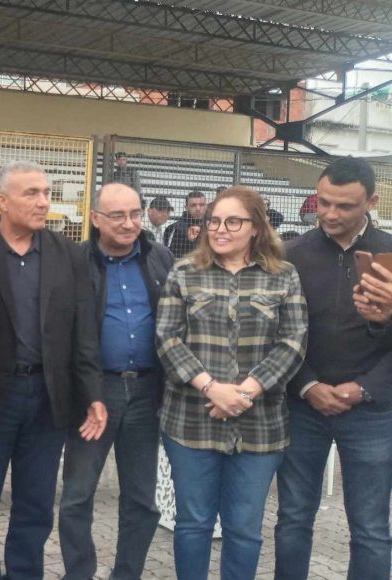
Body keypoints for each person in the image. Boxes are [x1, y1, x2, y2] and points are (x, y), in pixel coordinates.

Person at [0, 160, 106, 580]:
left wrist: (93, 394)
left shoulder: (67, 254)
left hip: (46, 398)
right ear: (2, 201)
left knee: (36, 506)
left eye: (47, 193)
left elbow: (83, 332)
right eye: (32, 193)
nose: (44, 202)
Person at [156, 186, 308, 580]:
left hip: (260, 426)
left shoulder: (283, 276)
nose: (220, 229)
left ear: (256, 227)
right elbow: (168, 338)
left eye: (233, 222)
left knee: (244, 529)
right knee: (193, 524)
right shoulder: (184, 272)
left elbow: (293, 342)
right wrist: (211, 388)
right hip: (191, 422)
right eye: (214, 221)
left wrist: (245, 392)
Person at [277, 157, 392, 580]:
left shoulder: (390, 254)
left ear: (371, 202)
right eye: (323, 202)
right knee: (292, 519)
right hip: (303, 408)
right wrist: (307, 385)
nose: (329, 213)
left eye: (344, 206)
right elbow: (276, 333)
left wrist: (365, 388)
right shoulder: (290, 256)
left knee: (371, 529)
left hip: (373, 411)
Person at [58, 183, 171, 580]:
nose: (129, 223)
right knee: (77, 495)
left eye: (135, 214)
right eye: (118, 215)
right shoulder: (74, 262)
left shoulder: (160, 258)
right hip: (94, 393)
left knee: (141, 499)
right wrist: (85, 391)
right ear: (95, 218)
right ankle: (79, 573)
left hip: (146, 391)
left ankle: (127, 573)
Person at [163, 189, 207, 258]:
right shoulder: (173, 229)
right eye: (193, 205)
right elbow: (168, 256)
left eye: (201, 205)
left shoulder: (211, 228)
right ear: (186, 207)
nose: (198, 208)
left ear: (206, 206)